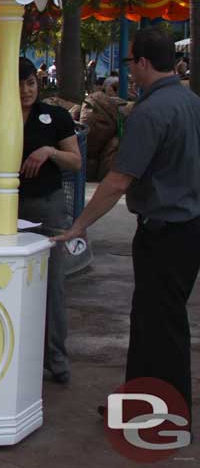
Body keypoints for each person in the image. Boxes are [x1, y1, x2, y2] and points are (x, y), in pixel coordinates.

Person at [52, 28, 200, 425]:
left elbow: (117, 181)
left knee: (160, 324)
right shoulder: (191, 102)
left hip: (164, 231)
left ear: (144, 64)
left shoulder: (149, 112)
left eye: (132, 61)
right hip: (187, 228)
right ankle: (143, 404)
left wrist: (78, 225)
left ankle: (166, 414)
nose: (130, 69)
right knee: (156, 319)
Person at [0, 57, 82, 384]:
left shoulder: (56, 117)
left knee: (53, 284)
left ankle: (57, 360)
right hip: (7, 209)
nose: (26, 90)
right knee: (6, 280)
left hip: (48, 206)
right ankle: (9, 355)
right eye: (18, 84)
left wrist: (48, 152)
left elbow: (75, 161)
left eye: (30, 83)